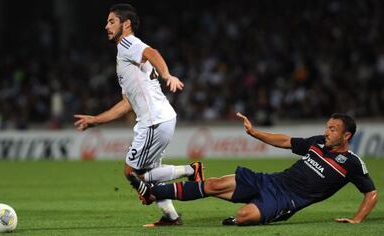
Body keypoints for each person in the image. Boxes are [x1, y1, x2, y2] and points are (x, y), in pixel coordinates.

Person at [73, 3, 204, 227]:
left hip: (154, 121)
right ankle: (170, 216)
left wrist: (167, 75)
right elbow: (127, 104)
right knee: (151, 172)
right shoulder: (124, 56)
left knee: (132, 173)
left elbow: (151, 53)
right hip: (160, 119)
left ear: (126, 24)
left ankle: (190, 171)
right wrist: (95, 120)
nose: (106, 26)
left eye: (111, 21)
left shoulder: (127, 43)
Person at [129, 112, 378, 226]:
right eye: (327, 127)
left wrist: (357, 220)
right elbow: (286, 141)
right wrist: (255, 132)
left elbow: (371, 193)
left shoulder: (353, 163)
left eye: (332, 129)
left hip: (286, 200)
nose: (326, 131)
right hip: (271, 181)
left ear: (347, 135)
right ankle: (154, 193)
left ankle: (242, 213)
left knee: (243, 218)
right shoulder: (318, 143)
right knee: (214, 184)